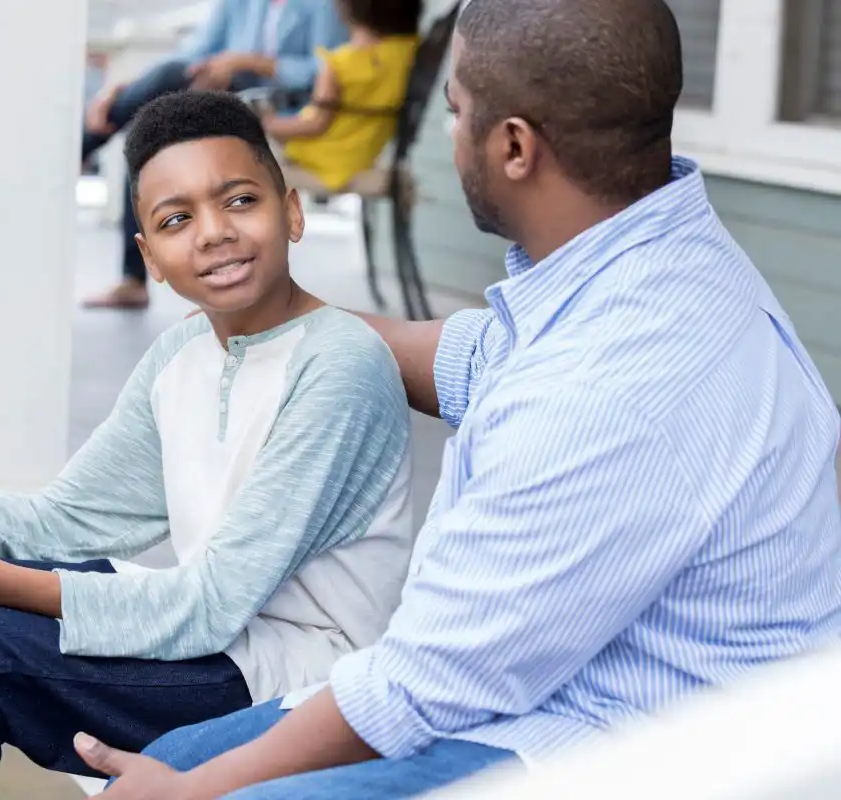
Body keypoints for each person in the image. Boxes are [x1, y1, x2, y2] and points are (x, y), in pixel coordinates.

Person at [73, 1, 841, 798]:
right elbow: (483, 359)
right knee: (180, 751)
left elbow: (424, 683)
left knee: (191, 781)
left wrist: (195, 793)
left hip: (632, 751)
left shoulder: (605, 391)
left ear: (513, 146)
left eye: (455, 111)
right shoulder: (652, 257)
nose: (448, 133)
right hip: (550, 688)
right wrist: (270, 315)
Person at [0, 93, 416, 800]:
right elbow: (62, 521)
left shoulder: (341, 364)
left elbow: (212, 603)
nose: (213, 233)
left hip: (288, 678)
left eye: (239, 201)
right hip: (205, 639)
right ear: (150, 257)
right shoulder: (182, 354)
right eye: (177, 219)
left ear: (293, 211)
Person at [81, 0, 347, 310]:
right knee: (150, 125)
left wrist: (248, 62)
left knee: (151, 110)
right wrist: (129, 86)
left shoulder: (323, 5)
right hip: (223, 96)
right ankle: (132, 281)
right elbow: (193, 52)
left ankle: (82, 149)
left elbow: (324, 70)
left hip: (278, 104)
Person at [262, 0, 421, 192]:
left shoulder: (338, 65)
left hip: (326, 163)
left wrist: (268, 124)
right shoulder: (409, 51)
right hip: (365, 153)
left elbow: (315, 124)